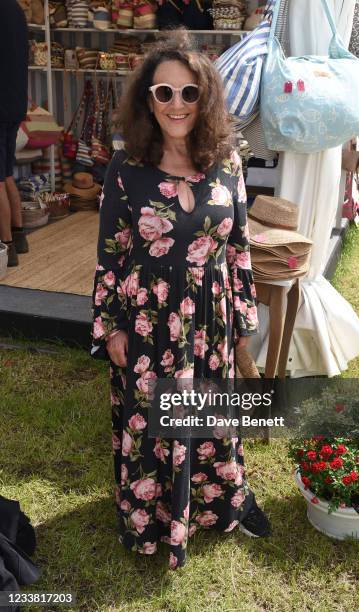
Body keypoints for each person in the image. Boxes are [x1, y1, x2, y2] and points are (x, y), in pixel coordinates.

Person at [91, 32, 271, 570]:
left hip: (211, 320)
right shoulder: (126, 171)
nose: (176, 104)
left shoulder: (229, 164)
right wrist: (112, 327)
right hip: (148, 319)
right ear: (148, 99)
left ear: (206, 99)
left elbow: (237, 248)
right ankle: (154, 520)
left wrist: (242, 321)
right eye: (163, 92)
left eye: (189, 93)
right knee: (153, 425)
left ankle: (218, 504)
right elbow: (112, 256)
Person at [0, 0, 29, 267]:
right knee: (6, 172)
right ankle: (19, 235)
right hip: (15, 101)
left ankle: (6, 247)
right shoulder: (16, 9)